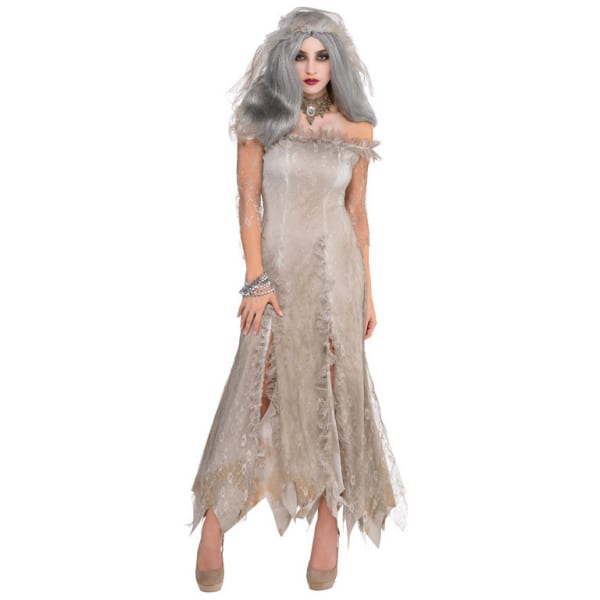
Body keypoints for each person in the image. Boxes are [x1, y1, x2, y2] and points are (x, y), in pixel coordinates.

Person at [187, 7, 407, 592]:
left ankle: (329, 524)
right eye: (301, 55)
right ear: (284, 60)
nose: (311, 67)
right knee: (254, 393)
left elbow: (357, 213)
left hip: (339, 279)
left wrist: (369, 292)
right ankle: (214, 521)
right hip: (278, 282)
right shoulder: (260, 118)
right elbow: (247, 202)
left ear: (337, 63)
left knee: (335, 397)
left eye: (322, 55)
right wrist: (256, 280)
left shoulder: (357, 127)